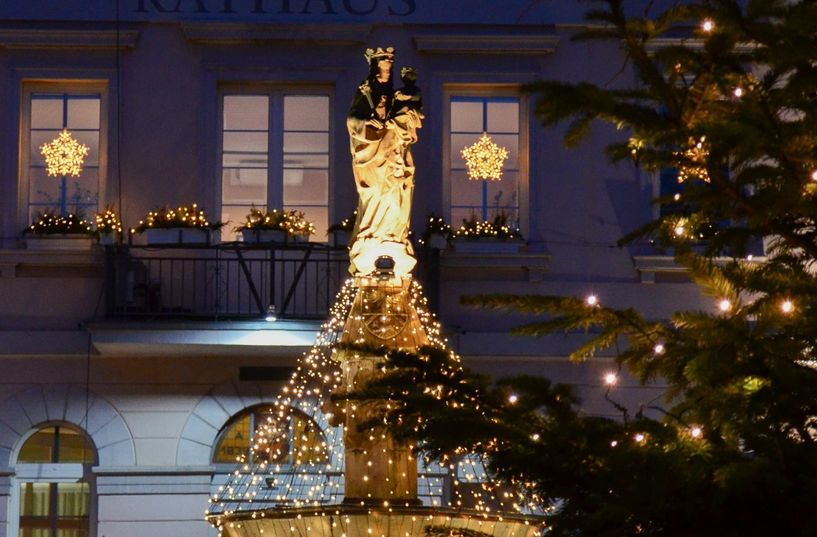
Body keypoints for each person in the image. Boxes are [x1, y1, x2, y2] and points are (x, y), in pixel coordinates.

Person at [347, 47, 422, 277]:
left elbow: (410, 117)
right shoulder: (365, 91)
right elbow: (352, 120)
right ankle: (372, 235)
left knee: (395, 196)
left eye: (389, 64)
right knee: (375, 195)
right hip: (372, 155)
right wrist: (369, 123)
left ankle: (392, 236)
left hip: (393, 154)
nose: (387, 69)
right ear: (375, 66)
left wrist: (399, 121)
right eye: (383, 64)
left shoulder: (396, 94)